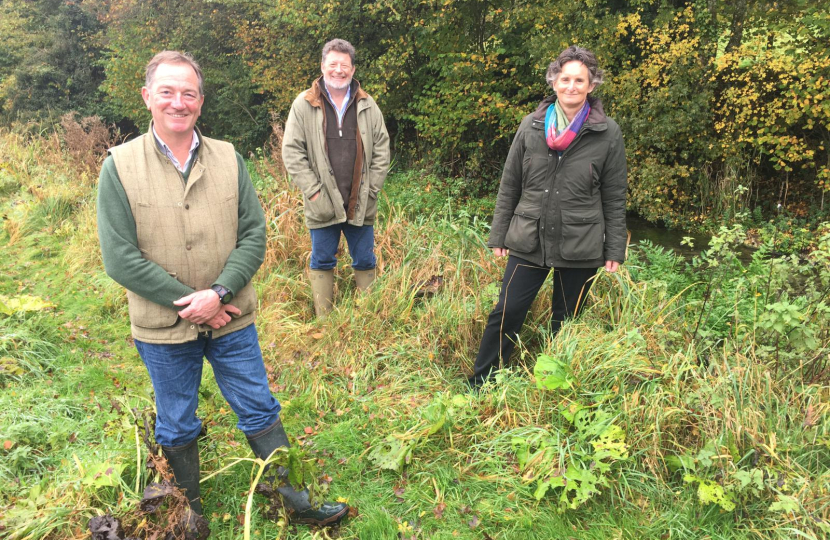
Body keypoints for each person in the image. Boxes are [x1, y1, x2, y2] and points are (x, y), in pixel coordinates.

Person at [97, 51, 349, 532]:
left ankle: (297, 503)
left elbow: (254, 233)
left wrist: (219, 292)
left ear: (201, 101)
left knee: (259, 406)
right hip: (163, 328)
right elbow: (120, 258)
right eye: (167, 92)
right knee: (176, 421)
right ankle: (186, 516)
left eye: (188, 93)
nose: (178, 102)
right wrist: (193, 305)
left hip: (232, 315)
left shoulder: (228, 157)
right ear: (148, 97)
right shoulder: (119, 166)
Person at [467, 46, 628, 388]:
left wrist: (615, 248)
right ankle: (482, 383)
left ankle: (552, 386)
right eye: (565, 78)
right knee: (507, 311)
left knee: (566, 320)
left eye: (579, 80)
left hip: (581, 242)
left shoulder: (608, 133)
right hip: (529, 236)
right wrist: (499, 235)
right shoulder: (532, 125)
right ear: (554, 82)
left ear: (591, 85)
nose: (572, 86)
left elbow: (614, 195)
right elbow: (510, 184)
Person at [283, 38, 390, 318]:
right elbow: (292, 152)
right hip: (322, 203)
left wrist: (373, 189)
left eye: (345, 65)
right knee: (321, 259)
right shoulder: (304, 104)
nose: (338, 70)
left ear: (353, 70)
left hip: (360, 201)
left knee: (366, 259)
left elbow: (382, 148)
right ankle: (325, 321)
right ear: (322, 66)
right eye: (333, 64)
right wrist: (314, 193)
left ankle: (368, 318)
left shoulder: (368, 104)